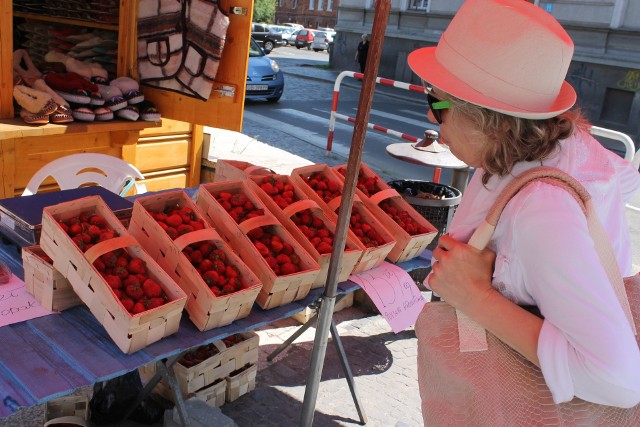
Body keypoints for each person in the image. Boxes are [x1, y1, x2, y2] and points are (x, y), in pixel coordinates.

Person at [409, 0, 640, 411]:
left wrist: (476, 295)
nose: (432, 121)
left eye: (437, 105)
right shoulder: (557, 149)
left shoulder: (541, 211)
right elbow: (619, 177)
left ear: (486, 118)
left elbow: (619, 380)